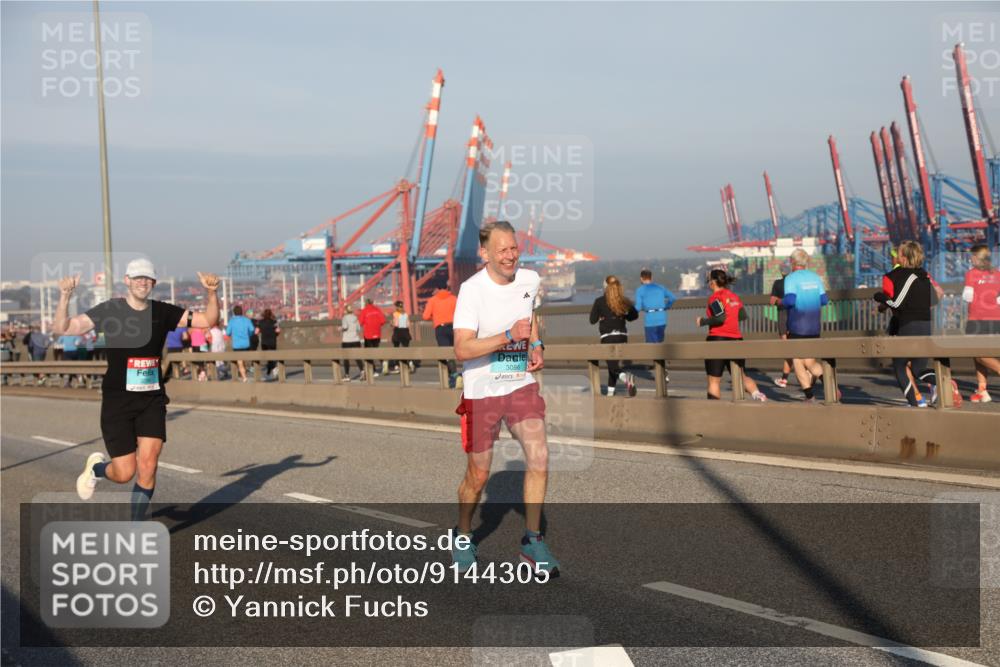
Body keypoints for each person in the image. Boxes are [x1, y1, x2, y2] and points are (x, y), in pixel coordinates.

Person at [50, 259, 220, 520]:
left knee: (149, 464)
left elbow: (207, 320)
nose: (143, 282)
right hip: (118, 401)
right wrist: (64, 296)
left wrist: (211, 292)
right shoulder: (110, 310)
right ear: (127, 281)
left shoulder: (163, 311)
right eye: (137, 277)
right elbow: (63, 329)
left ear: (153, 284)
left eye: (148, 278)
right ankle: (96, 469)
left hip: (152, 399)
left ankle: (136, 527)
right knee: (124, 473)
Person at [451, 220, 558, 576]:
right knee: (478, 476)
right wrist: (507, 336)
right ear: (485, 253)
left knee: (539, 455)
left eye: (514, 248)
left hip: (518, 382)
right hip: (482, 389)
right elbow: (462, 349)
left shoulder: (530, 280)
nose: (511, 255)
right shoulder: (471, 290)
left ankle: (532, 539)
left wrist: (536, 344)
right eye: (503, 250)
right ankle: (464, 534)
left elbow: (530, 314)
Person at [873, 241, 939, 407]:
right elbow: (935, 299)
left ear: (903, 257)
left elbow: (896, 304)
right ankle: (945, 383)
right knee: (918, 369)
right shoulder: (924, 275)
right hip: (926, 324)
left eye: (900, 254)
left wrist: (879, 296)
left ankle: (915, 402)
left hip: (908, 325)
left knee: (899, 365)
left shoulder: (902, 276)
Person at [695, 269, 767, 402]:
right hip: (736, 339)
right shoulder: (733, 296)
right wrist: (731, 320)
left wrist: (703, 321)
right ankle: (757, 394)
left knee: (714, 380)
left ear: (713, 282)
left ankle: (714, 410)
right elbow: (742, 316)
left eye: (708, 281)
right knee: (741, 375)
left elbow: (720, 318)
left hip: (718, 339)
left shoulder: (715, 297)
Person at [782, 249, 832, 403]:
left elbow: (790, 301)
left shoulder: (791, 278)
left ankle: (810, 396)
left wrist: (779, 302)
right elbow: (824, 300)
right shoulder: (815, 277)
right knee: (810, 362)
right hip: (814, 326)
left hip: (797, 325)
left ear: (792, 262)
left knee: (797, 361)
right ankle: (832, 388)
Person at [962, 244, 1000, 403]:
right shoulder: (998, 274)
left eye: (972, 256)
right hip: (996, 319)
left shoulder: (971, 274)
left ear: (978, 258)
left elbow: (967, 297)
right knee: (980, 355)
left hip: (977, 318)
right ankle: (982, 390)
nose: (970, 259)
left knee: (979, 354)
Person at [589, 275, 638, 396]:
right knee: (613, 365)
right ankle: (610, 393)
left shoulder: (599, 301)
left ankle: (626, 378)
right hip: (622, 336)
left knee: (612, 366)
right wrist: (623, 315)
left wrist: (601, 316)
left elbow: (592, 320)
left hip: (608, 336)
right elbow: (634, 316)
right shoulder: (623, 300)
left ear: (605, 286)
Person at [423, 287, 460, 388]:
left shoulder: (432, 300)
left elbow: (425, 316)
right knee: (454, 352)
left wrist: (435, 317)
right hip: (453, 327)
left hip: (441, 328)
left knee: (446, 354)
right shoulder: (453, 298)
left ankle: (454, 377)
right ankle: (460, 375)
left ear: (437, 289)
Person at [768, 266, 794, 388]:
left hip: (783, 314)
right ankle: (809, 372)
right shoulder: (795, 283)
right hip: (797, 315)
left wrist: (779, 300)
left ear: (781, 272)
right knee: (799, 346)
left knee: (786, 348)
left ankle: (784, 379)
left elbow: (772, 301)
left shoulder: (778, 283)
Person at [634, 268, 676, 343]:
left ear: (641, 278)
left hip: (650, 321)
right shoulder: (660, 287)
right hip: (662, 319)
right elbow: (673, 298)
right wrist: (666, 306)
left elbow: (638, 307)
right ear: (651, 277)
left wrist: (628, 312)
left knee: (651, 348)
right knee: (660, 345)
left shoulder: (640, 290)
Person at [225, 305, 256, 382]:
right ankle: (245, 373)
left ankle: (244, 377)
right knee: (244, 360)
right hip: (246, 344)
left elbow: (228, 333)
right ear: (241, 312)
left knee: (240, 362)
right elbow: (252, 330)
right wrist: (249, 334)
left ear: (234, 313)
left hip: (237, 345)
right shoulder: (247, 320)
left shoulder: (232, 321)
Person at [359, 298, 387, 377]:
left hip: (368, 334)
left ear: (365, 303)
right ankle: (383, 362)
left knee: (368, 353)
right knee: (376, 349)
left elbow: (360, 322)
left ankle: (373, 371)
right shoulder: (377, 309)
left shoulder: (364, 311)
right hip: (377, 334)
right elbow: (383, 321)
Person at [256, 308, 281, 380]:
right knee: (272, 357)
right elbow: (278, 330)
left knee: (268, 358)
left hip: (264, 343)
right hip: (272, 342)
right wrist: (275, 334)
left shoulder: (260, 322)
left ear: (263, 314)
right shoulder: (274, 321)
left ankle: (270, 372)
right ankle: (272, 371)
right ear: (270, 314)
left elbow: (256, 332)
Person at [390, 301, 414, 374]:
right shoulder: (406, 314)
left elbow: (396, 324)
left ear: (396, 307)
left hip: (398, 332)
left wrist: (391, 323)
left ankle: (397, 366)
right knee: (406, 349)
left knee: (396, 349)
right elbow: (408, 324)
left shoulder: (395, 314)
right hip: (406, 332)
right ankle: (410, 364)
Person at [340, 305, 363, 380]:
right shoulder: (355, 318)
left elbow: (345, 327)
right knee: (358, 357)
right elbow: (359, 329)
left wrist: (340, 328)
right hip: (356, 339)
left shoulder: (345, 318)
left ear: (346, 311)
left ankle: (347, 375)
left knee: (346, 358)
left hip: (347, 340)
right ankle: (362, 372)